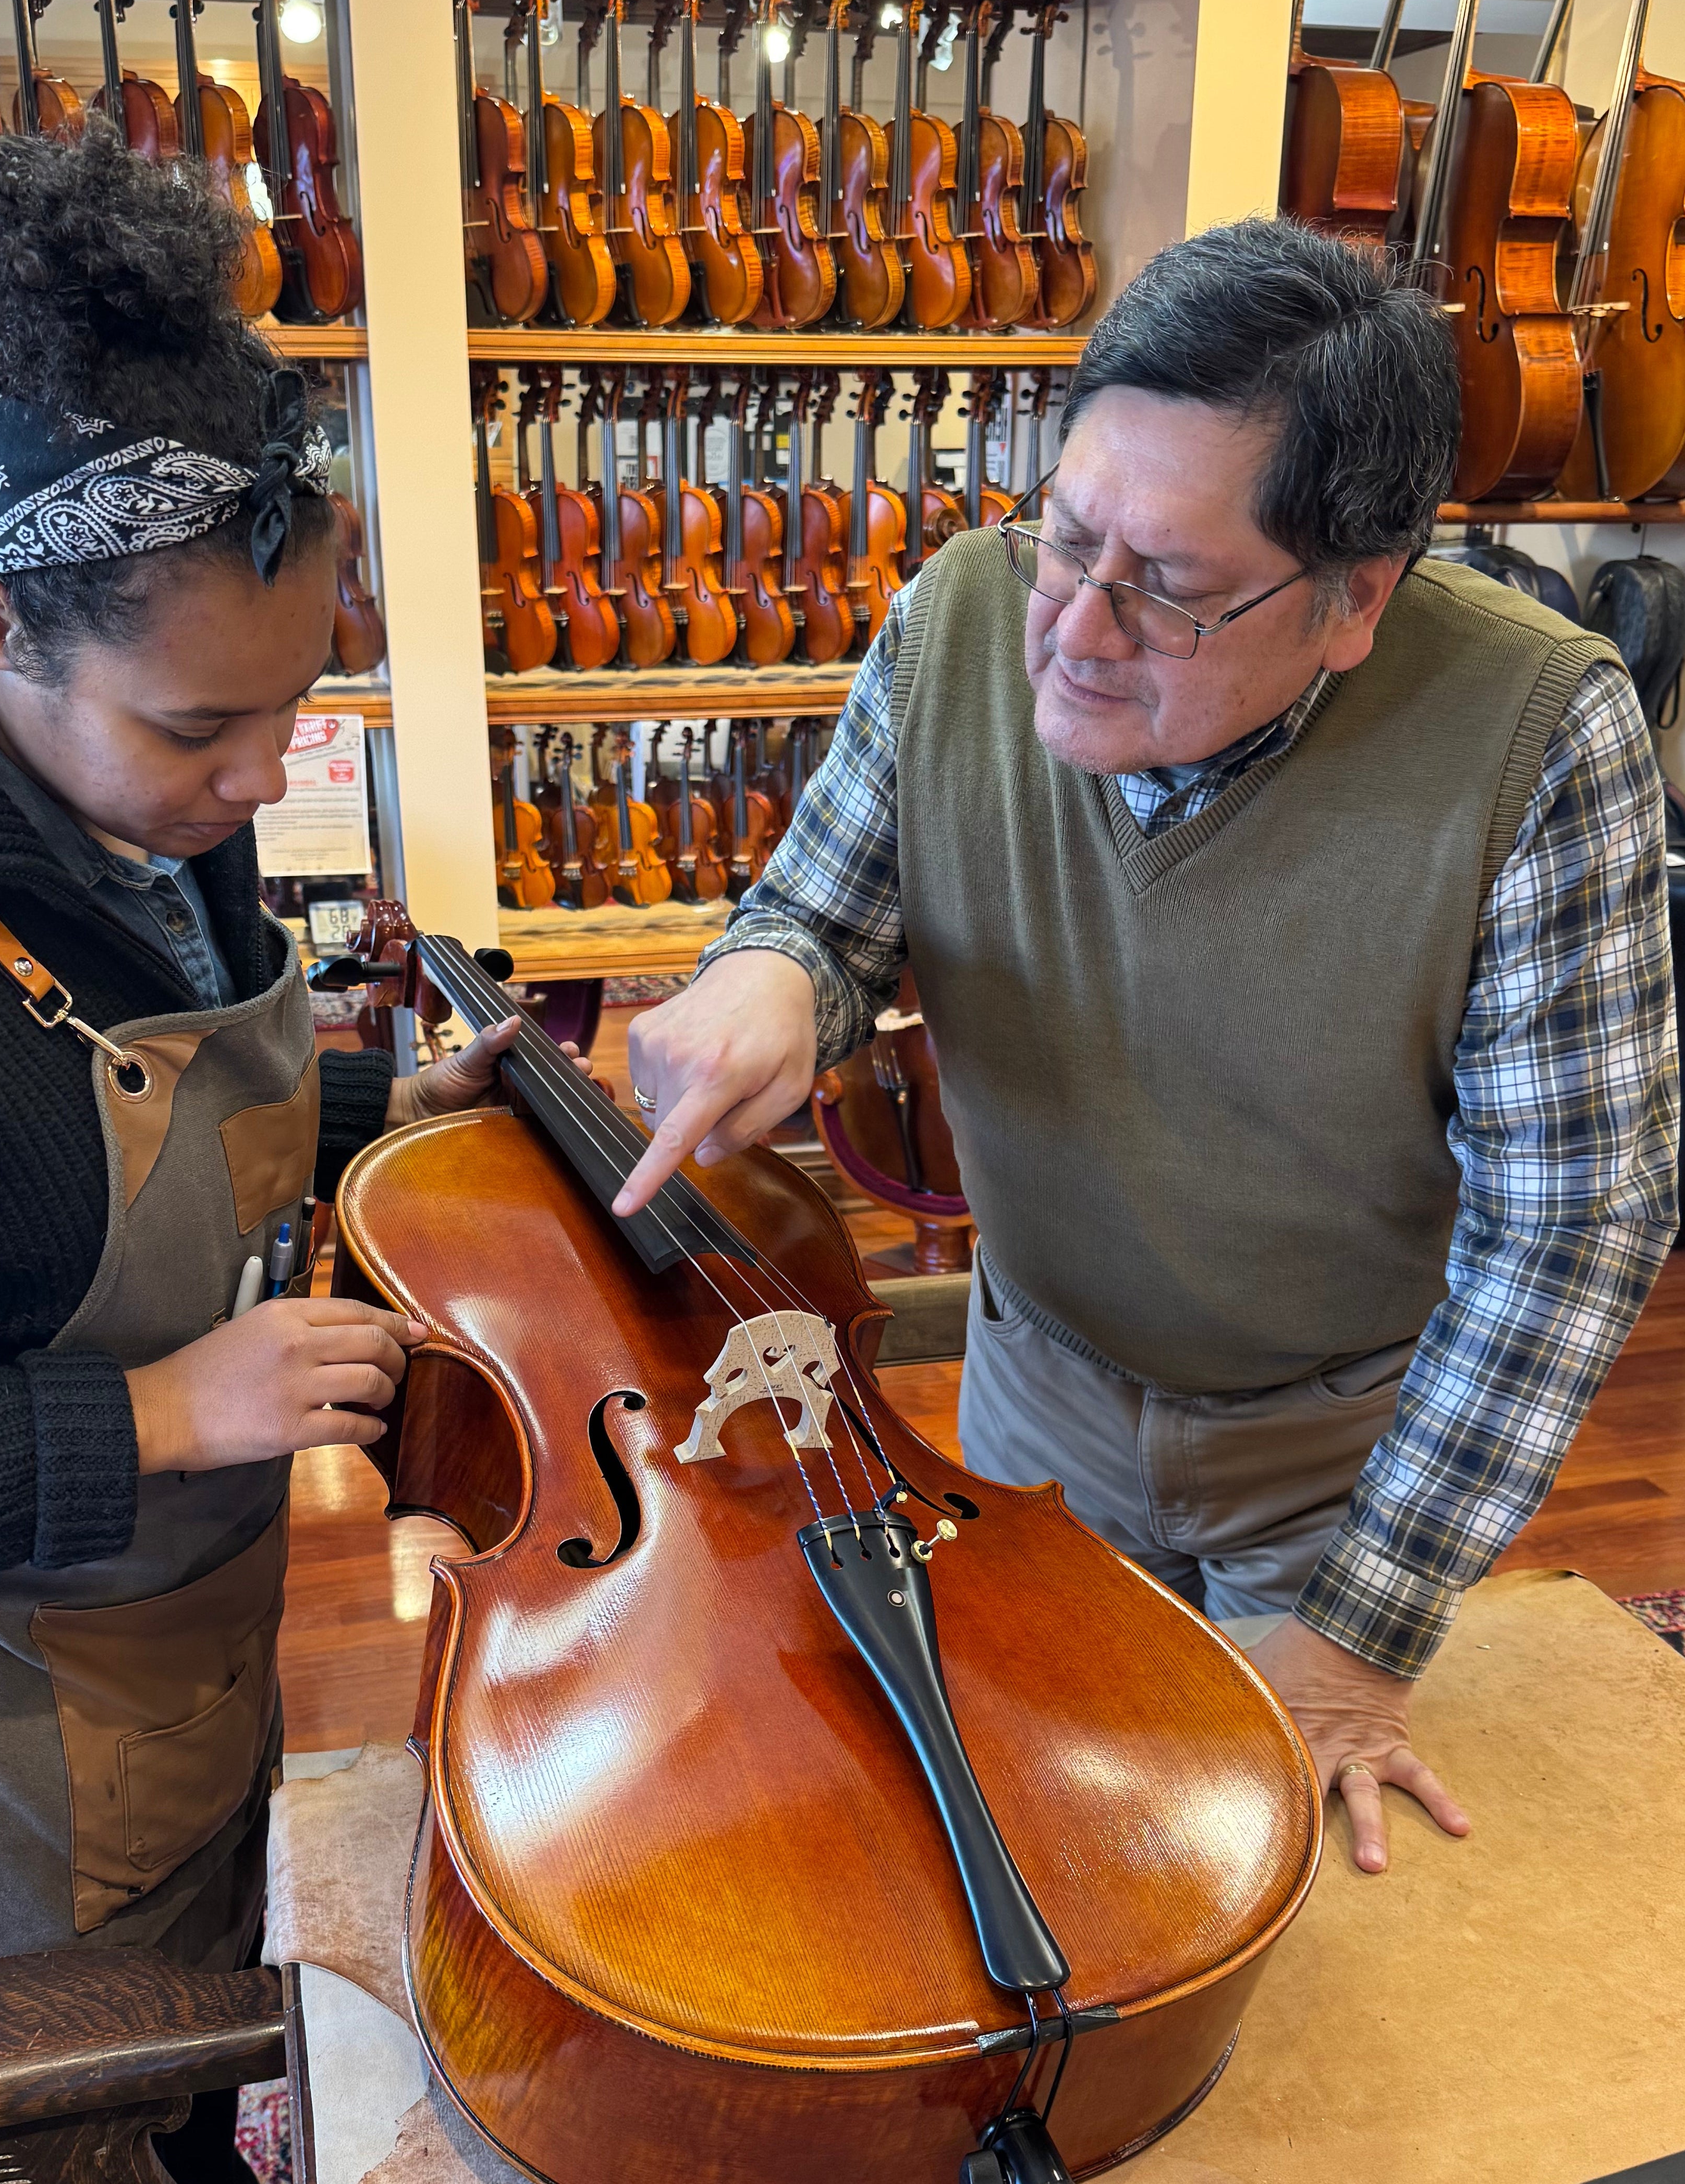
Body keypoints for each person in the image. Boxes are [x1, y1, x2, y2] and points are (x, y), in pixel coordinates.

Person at [0, 129, 557, 2182]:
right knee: (6, 2127)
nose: (261, 780)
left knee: (154, 2048)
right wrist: (154, 1414)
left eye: (298, 705)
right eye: (198, 733)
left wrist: (364, 1116)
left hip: (159, 1620)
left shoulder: (153, 800)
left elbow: (82, 1137)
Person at [619, 220, 1679, 1876]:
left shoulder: (1541, 731)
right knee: (1047, 1837)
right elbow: (819, 922)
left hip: (1338, 1453)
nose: (1075, 627)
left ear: (1356, 600)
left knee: (1315, 1913)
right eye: (1067, 537)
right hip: (1038, 1397)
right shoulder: (961, 615)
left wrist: (1362, 1630)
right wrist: (776, 978)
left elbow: (1569, 1223)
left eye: (1168, 586)